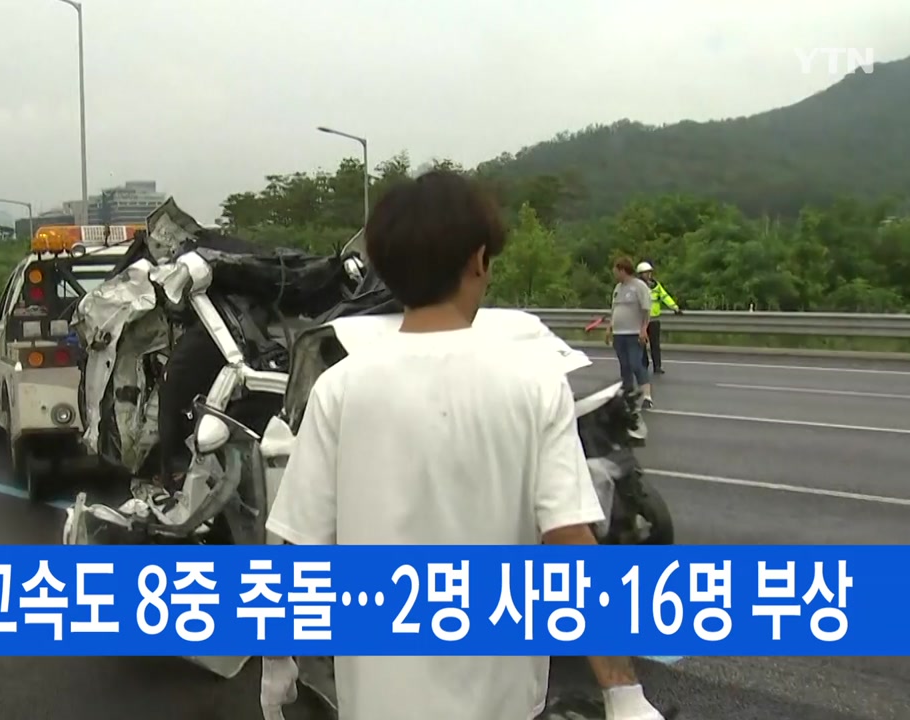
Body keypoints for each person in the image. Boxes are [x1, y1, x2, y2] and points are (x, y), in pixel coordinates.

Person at [260, 171, 667, 720]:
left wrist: (277, 658)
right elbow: (571, 546)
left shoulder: (338, 390)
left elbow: (298, 548)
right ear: (478, 260)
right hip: (502, 702)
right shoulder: (535, 385)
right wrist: (623, 692)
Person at [605, 257, 654, 409]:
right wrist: (610, 327)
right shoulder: (618, 288)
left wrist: (643, 329)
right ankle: (628, 393)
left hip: (634, 333)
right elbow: (615, 309)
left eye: (616, 271)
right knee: (624, 365)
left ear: (623, 270)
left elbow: (646, 309)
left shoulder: (639, 286)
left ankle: (646, 395)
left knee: (635, 363)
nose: (614, 274)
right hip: (619, 333)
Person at [635, 261, 681, 375]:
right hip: (641, 320)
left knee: (655, 344)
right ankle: (643, 364)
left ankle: (657, 366)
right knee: (642, 344)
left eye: (649, 272)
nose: (648, 275)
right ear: (640, 274)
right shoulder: (637, 286)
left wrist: (675, 307)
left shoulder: (656, 285)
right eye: (646, 273)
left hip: (654, 319)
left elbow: (665, 297)